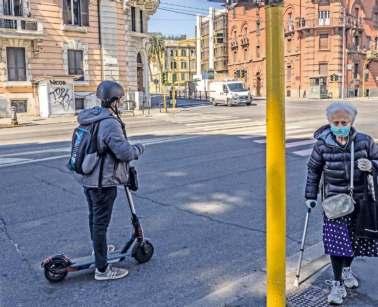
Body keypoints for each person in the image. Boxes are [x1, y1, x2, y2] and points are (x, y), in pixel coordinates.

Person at [305, 102, 378, 305]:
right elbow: (313, 170)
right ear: (329, 122)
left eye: (343, 122)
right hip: (334, 203)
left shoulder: (364, 141)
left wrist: (371, 165)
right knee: (337, 244)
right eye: (335, 122)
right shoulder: (322, 144)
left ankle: (347, 270)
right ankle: (337, 284)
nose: (339, 125)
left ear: (351, 121)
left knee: (354, 242)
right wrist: (310, 196)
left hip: (359, 201)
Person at [78, 80, 145, 281]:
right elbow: (124, 153)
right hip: (103, 182)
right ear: (114, 101)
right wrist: (138, 149)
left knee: (94, 219)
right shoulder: (109, 123)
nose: (121, 103)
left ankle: (98, 250)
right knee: (100, 224)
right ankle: (102, 269)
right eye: (120, 100)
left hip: (88, 179)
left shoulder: (91, 118)